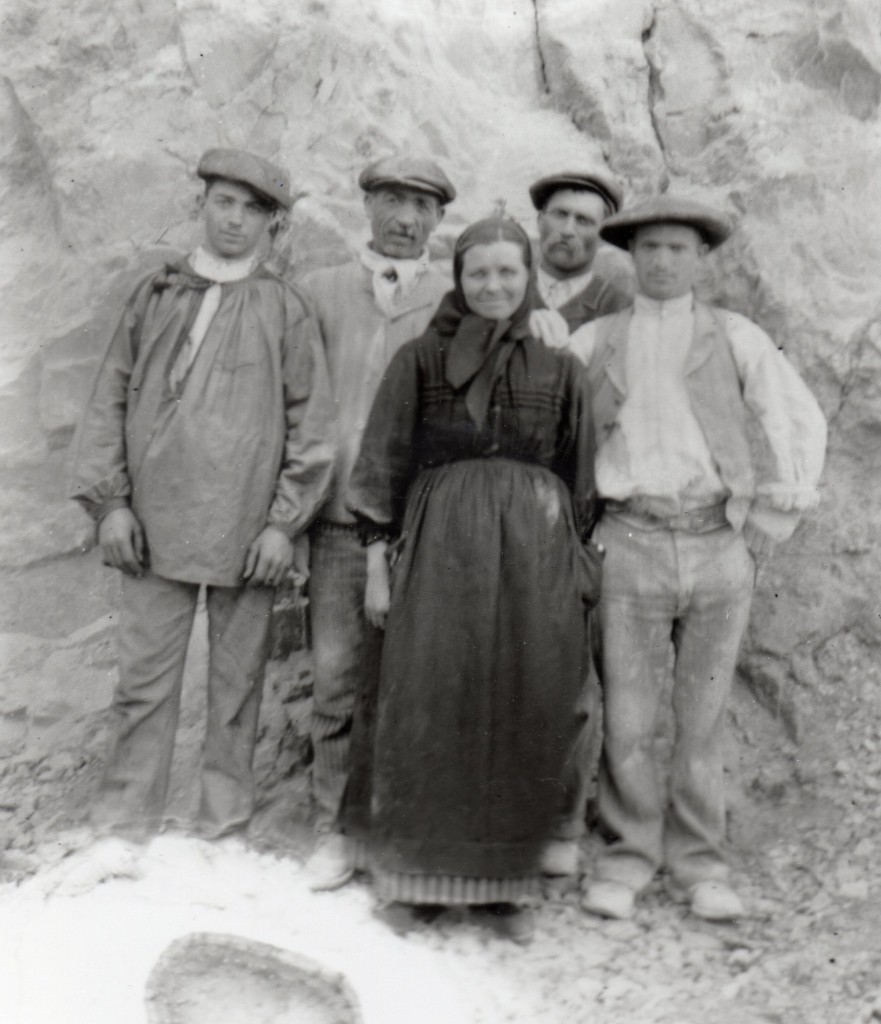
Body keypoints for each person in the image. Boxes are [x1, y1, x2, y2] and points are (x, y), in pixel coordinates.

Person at [546, 195, 827, 922]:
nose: (662, 261)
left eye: (676, 248)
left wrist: (765, 520)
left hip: (713, 548)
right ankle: (628, 856)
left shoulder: (734, 338)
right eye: (648, 249)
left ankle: (700, 864)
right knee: (631, 717)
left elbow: (792, 418)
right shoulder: (593, 342)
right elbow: (546, 423)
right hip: (628, 544)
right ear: (630, 258)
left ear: (700, 259)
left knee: (699, 717)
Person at [68, 148, 335, 873]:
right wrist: (112, 505)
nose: (234, 219)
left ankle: (223, 831)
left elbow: (312, 426)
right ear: (202, 205)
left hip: (249, 532)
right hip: (152, 525)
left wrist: (284, 522)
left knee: (236, 688)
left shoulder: (286, 307)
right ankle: (125, 829)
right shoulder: (155, 294)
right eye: (223, 202)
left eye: (252, 209)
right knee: (144, 686)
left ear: (272, 225)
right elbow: (108, 400)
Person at [343, 217, 603, 943]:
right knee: (428, 694)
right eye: (477, 272)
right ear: (458, 279)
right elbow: (381, 463)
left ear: (528, 279)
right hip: (438, 549)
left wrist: (576, 568)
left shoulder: (562, 368)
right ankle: (414, 881)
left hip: (534, 555)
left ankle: (503, 890)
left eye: (507, 273)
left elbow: (583, 477)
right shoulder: (418, 360)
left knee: (520, 699)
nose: (492, 285)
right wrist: (376, 563)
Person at [298, 155, 456, 890]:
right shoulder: (319, 291)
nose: (405, 218)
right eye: (392, 200)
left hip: (423, 527)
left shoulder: (458, 297)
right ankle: (334, 826)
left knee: (414, 683)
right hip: (336, 525)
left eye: (421, 206)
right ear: (366, 205)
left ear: (437, 219)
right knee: (334, 676)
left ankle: (397, 831)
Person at [530, 170, 631, 332]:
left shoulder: (620, 308)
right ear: (540, 221)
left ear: (604, 236)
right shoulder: (504, 288)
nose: (567, 230)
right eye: (560, 215)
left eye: (583, 220)